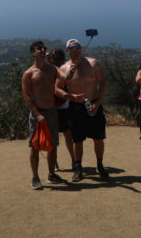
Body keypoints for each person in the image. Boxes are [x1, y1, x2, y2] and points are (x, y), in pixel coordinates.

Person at [22, 40, 78, 190]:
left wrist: (71, 71)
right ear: (33, 52)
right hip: (38, 114)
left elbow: (66, 77)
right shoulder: (29, 74)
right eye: (39, 48)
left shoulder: (52, 69)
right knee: (35, 146)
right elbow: (27, 97)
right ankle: (35, 177)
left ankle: (51, 175)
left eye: (44, 48)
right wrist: (37, 114)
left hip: (52, 112)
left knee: (53, 145)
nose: (43, 50)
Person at [55, 38, 108, 182]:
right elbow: (57, 89)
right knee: (77, 140)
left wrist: (97, 103)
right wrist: (70, 96)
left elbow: (103, 83)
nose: (75, 50)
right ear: (67, 51)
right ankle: (78, 168)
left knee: (98, 138)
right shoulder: (65, 69)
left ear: (81, 48)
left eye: (77, 47)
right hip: (76, 107)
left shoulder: (93, 63)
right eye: (72, 48)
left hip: (94, 104)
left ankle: (100, 165)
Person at [48, 47, 76, 171]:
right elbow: (68, 78)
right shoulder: (63, 68)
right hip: (64, 105)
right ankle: (74, 161)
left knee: (53, 137)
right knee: (67, 135)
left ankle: (54, 163)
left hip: (52, 106)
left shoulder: (49, 69)